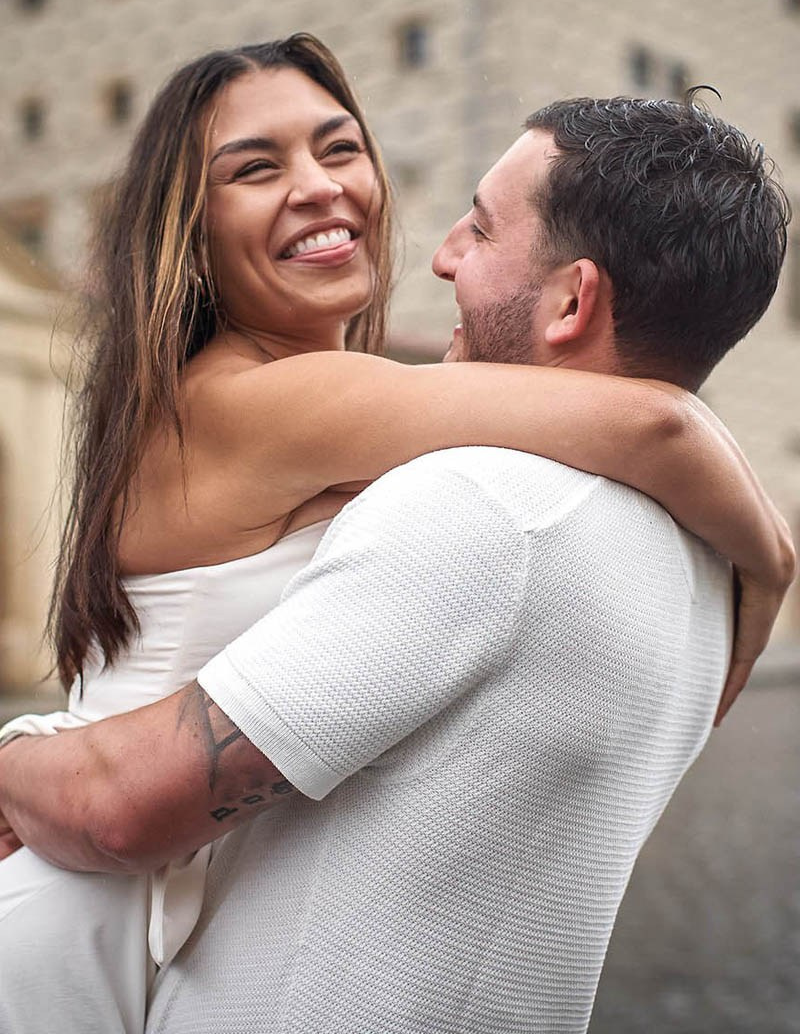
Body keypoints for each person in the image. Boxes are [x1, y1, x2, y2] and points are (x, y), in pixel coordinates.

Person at [0, 58, 793, 1034]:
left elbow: (642, 428)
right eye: (254, 168)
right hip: (85, 926)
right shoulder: (270, 401)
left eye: (340, 147)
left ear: (570, 298)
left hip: (130, 903)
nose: (321, 185)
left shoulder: (418, 454)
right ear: (190, 237)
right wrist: (764, 563)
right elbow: (657, 427)